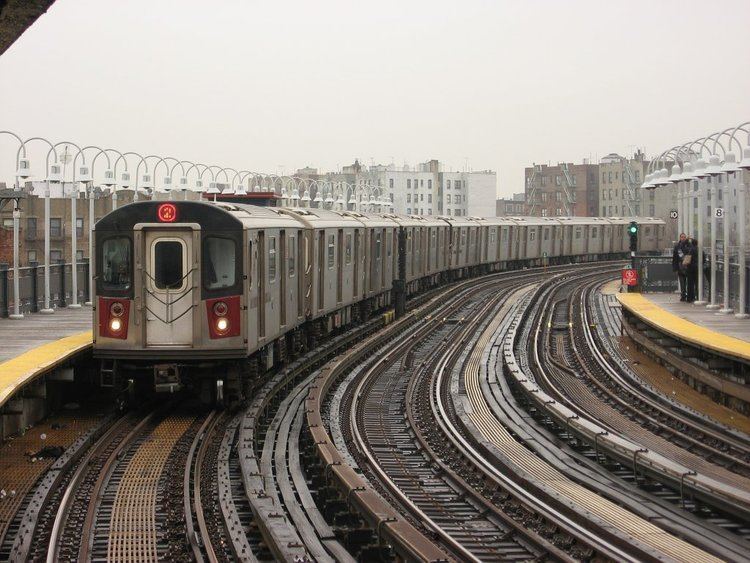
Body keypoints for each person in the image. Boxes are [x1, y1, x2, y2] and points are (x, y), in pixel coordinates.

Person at [672, 233, 689, 301]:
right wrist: (675, 268)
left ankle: (687, 295)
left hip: (688, 267)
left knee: (688, 282)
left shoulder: (688, 245)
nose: (683, 238)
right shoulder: (677, 247)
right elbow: (675, 258)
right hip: (680, 267)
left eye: (684, 237)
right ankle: (683, 295)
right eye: (682, 237)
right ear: (680, 238)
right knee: (682, 282)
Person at [685, 237, 699, 302]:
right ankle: (698, 296)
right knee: (697, 283)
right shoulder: (699, 250)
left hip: (690, 268)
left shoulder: (691, 250)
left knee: (690, 283)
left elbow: (688, 258)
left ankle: (690, 298)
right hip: (697, 268)